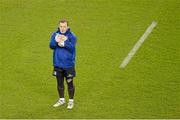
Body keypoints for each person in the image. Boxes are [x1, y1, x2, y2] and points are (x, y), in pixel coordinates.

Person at [49, 19, 77, 109]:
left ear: (67, 27)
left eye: (64, 26)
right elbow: (51, 46)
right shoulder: (55, 34)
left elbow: (72, 48)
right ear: (59, 26)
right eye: (61, 26)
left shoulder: (72, 36)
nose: (62, 28)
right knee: (59, 84)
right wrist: (56, 41)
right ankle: (61, 100)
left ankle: (71, 101)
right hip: (58, 64)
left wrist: (64, 43)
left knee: (70, 83)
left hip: (68, 65)